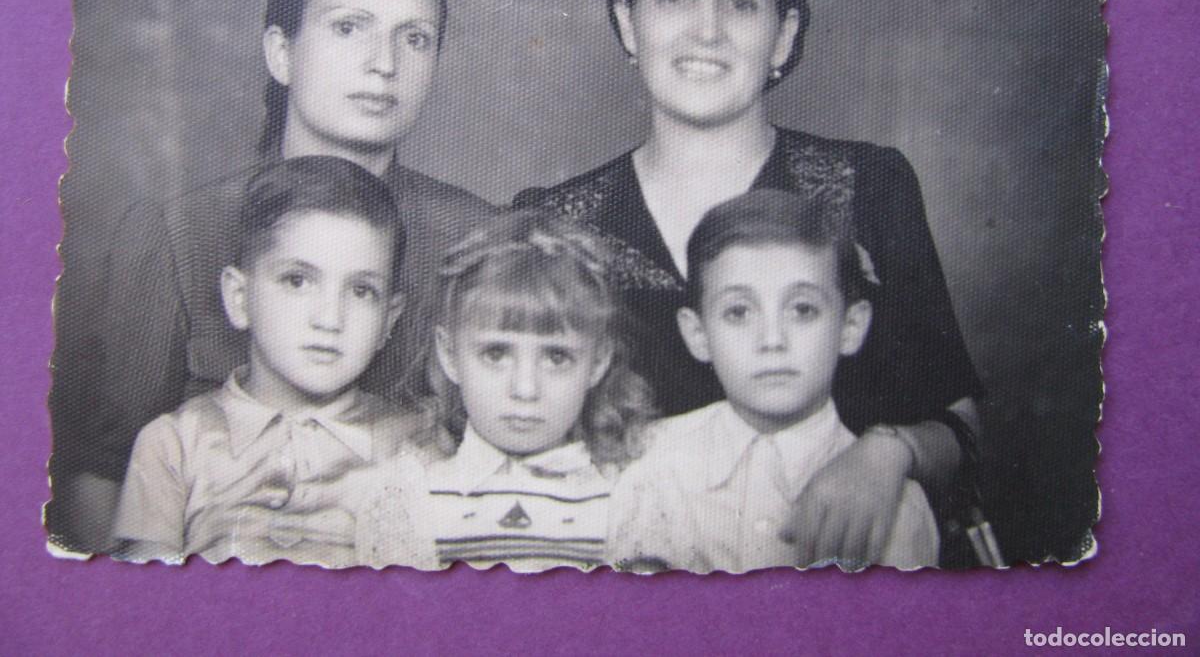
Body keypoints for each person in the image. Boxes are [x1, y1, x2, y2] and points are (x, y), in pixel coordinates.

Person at [516, 0, 983, 566]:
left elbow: (962, 429)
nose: (706, 30)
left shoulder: (868, 187)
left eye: (740, 3)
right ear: (628, 23)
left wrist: (890, 454)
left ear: (783, 36)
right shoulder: (552, 225)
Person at [50, 0, 495, 553]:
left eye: (415, 38)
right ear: (281, 54)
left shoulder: (480, 242)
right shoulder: (177, 233)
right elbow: (104, 474)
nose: (384, 63)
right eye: (349, 28)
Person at [113, 157, 429, 565]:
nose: (330, 319)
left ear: (389, 318)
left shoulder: (416, 445)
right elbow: (143, 594)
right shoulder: (174, 445)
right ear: (240, 298)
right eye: (297, 281)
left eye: (361, 291)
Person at [609, 189, 939, 572]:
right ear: (697, 334)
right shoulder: (647, 464)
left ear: (850, 327)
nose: (772, 340)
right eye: (738, 312)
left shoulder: (895, 505)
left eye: (802, 309)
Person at [355, 210, 655, 572]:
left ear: (598, 362)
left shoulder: (627, 499)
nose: (525, 389)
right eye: (495, 354)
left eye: (557, 357)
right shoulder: (411, 498)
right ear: (450, 355)